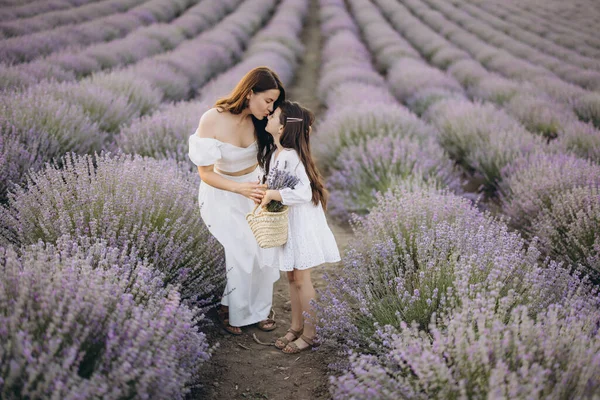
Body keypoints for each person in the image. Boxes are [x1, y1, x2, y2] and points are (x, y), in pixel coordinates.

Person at [188, 67, 285, 335]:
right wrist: (239, 188)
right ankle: (236, 314)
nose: (270, 107)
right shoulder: (212, 119)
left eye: (274, 103)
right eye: (267, 100)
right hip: (222, 193)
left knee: (264, 248)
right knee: (241, 249)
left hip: (253, 188)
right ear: (250, 92)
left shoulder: (262, 120)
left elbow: (277, 154)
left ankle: (259, 309)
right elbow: (206, 174)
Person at [260, 101, 341, 353]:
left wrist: (273, 194)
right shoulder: (277, 153)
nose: (268, 117)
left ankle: (310, 333)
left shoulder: (291, 156)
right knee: (292, 276)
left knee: (302, 278)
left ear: (283, 127)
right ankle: (296, 326)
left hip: (301, 222)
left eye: (273, 116)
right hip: (289, 222)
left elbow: (304, 192)